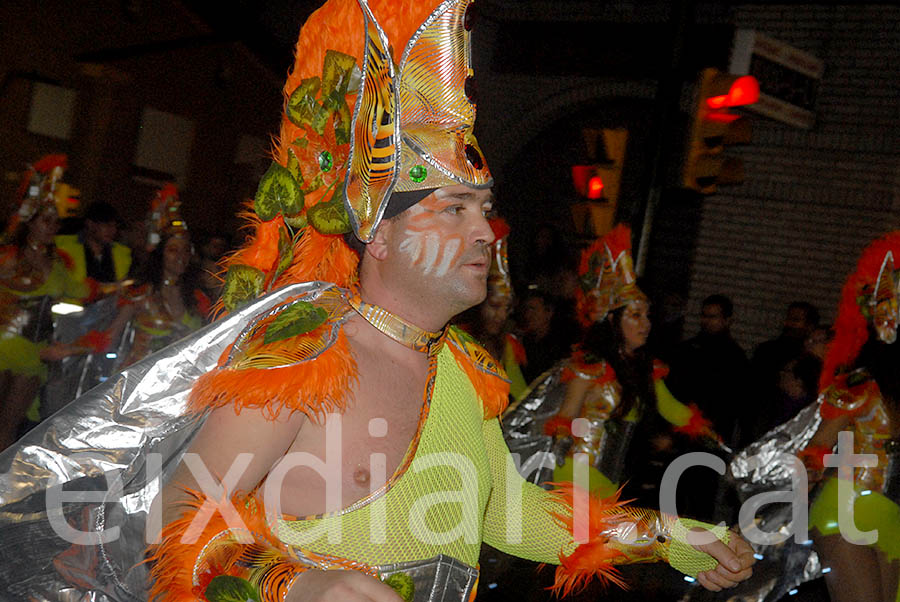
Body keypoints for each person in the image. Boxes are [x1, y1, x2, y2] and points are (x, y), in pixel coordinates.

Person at [146, 2, 754, 601]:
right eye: (454, 209)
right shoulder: (303, 357)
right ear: (379, 235)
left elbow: (512, 513)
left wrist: (666, 535)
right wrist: (296, 584)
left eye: (484, 210)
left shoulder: (462, 371)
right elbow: (175, 517)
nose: (487, 232)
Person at [543, 225, 723, 505]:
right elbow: (566, 415)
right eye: (636, 315)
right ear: (614, 321)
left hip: (611, 480)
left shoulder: (646, 370)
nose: (646, 323)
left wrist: (708, 433)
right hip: (576, 475)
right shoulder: (591, 365)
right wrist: (563, 438)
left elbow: (671, 407)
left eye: (647, 315)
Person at [799, 232, 900, 602]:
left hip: (892, 515)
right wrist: (787, 503)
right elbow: (820, 445)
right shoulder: (859, 382)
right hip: (846, 510)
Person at [0, 155, 100, 450]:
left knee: (10, 426)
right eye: (46, 219)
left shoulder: (58, 262)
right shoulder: (8, 257)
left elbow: (82, 291)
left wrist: (121, 288)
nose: (52, 226)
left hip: (35, 352)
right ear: (29, 221)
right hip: (3, 345)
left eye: (56, 221)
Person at [114, 184, 210, 367]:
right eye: (173, 250)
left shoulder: (198, 299)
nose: (180, 257)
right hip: (138, 386)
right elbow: (109, 337)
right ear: (160, 254)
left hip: (178, 387)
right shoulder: (140, 293)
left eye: (185, 250)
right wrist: (67, 349)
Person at [457, 217, 528, 401]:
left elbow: (521, 396)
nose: (501, 316)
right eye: (495, 306)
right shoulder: (455, 343)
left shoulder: (506, 347)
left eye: (507, 308)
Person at [667, 294, 750, 450]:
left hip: (711, 436)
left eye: (713, 317)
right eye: (704, 316)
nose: (706, 321)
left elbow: (735, 402)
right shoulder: (687, 349)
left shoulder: (735, 357)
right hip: (679, 428)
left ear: (727, 320)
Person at [749, 300, 819, 440]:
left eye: (796, 320)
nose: (789, 324)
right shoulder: (767, 351)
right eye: (789, 319)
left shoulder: (811, 361)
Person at [55, 200, 132, 293]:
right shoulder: (64, 247)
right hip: (73, 305)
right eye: (107, 225)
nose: (112, 230)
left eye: (115, 226)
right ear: (90, 224)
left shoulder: (124, 253)